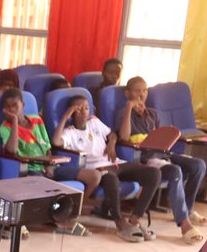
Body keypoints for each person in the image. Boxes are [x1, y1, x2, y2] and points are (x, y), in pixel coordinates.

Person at [51, 94, 161, 242]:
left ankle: (134, 219)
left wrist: (111, 144)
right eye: (79, 109)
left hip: (116, 163)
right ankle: (120, 223)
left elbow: (112, 134)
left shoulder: (94, 122)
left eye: (87, 108)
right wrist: (65, 117)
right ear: (72, 112)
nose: (84, 111)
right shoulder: (70, 132)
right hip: (98, 168)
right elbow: (56, 142)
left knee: (154, 173)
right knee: (111, 179)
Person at [119, 75, 207, 244]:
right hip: (145, 159)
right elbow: (124, 136)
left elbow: (160, 137)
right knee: (175, 171)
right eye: (137, 90)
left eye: (144, 90)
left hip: (163, 153)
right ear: (127, 93)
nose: (141, 94)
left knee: (198, 165)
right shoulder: (123, 113)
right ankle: (184, 224)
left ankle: (188, 210)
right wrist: (130, 110)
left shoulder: (152, 113)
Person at [0, 88, 91, 236]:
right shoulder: (5, 127)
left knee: (92, 176)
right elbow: (12, 150)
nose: (11, 109)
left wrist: (50, 167)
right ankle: (60, 221)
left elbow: (47, 147)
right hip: (28, 168)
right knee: (45, 184)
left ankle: (69, 214)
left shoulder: (37, 120)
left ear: (22, 104)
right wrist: (15, 121)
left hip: (49, 166)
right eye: (7, 107)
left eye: (14, 105)